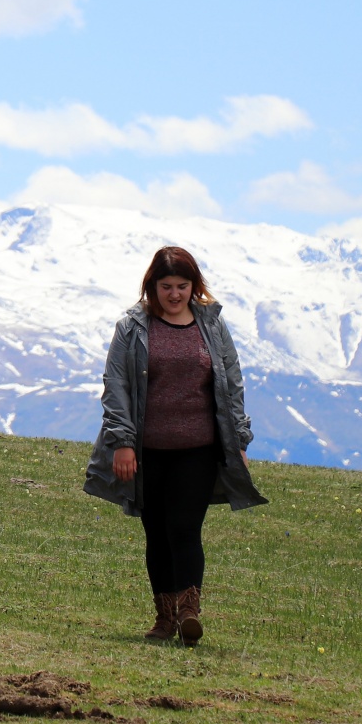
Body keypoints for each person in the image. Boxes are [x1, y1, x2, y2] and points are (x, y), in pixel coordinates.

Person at [84, 246, 267, 646]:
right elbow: (116, 387)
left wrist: (237, 441)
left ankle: (189, 612)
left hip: (199, 448)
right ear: (152, 286)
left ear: (194, 286)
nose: (174, 294)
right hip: (147, 451)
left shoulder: (212, 326)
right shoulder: (132, 327)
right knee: (156, 532)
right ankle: (164, 619)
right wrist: (123, 444)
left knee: (185, 527)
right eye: (166, 286)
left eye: (182, 286)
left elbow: (232, 383)